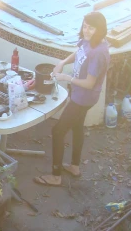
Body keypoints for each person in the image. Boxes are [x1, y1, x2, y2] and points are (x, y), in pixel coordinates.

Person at [34, 12, 110, 187]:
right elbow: (79, 52)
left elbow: (90, 83)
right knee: (77, 126)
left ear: (100, 30)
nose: (87, 30)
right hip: (79, 94)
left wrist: (66, 78)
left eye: (91, 28)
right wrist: (62, 62)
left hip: (83, 98)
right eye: (85, 26)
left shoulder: (99, 52)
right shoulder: (88, 41)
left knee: (58, 131)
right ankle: (74, 166)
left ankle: (55, 176)